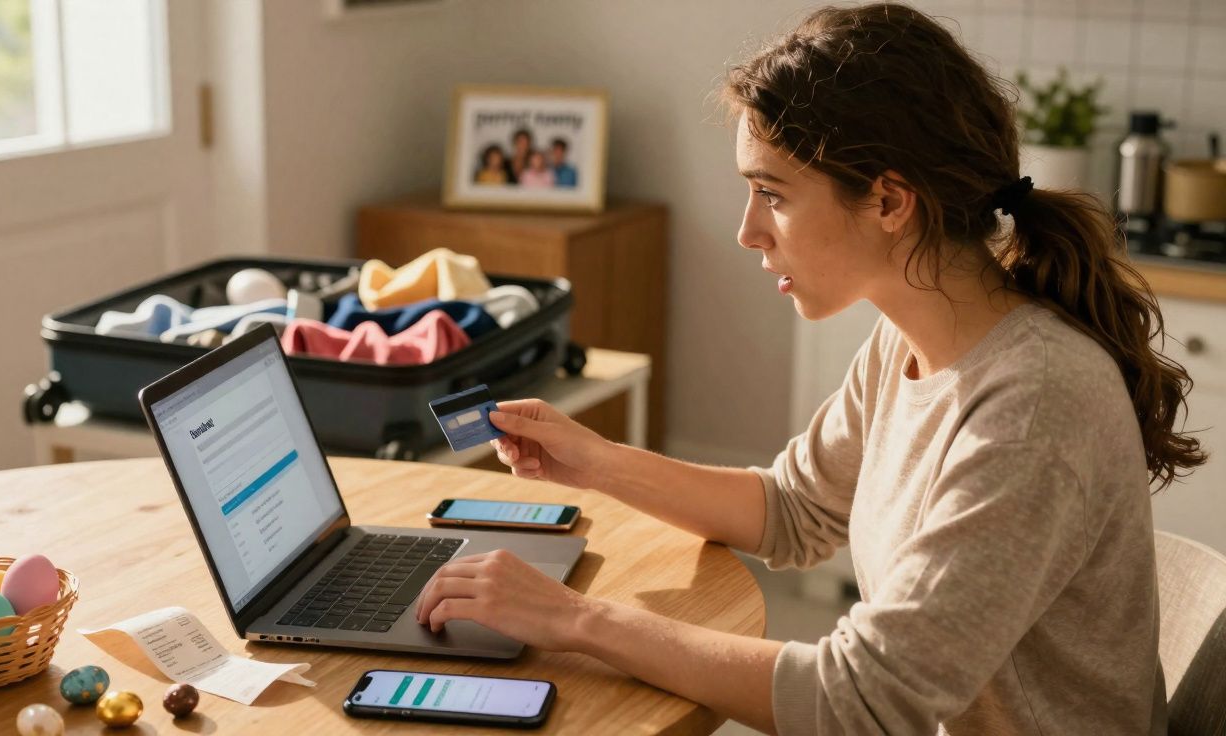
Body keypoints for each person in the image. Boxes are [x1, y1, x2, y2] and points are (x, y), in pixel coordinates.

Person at [414, 4, 1203, 733]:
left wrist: (573, 620)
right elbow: (792, 510)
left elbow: (859, 700)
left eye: (773, 194)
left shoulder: (1033, 405)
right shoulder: (911, 339)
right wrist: (597, 462)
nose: (748, 231)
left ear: (891, 201)